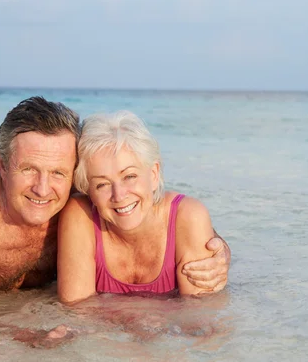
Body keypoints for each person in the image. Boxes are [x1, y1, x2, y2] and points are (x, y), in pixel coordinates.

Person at [0, 97, 230, 330]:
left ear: (74, 177)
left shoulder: (82, 200)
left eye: (58, 172)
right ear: (3, 166)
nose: (43, 189)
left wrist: (217, 246)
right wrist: (17, 335)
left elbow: (138, 198)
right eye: (29, 169)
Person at [57, 110, 219, 302]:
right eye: (102, 184)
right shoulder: (79, 215)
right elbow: (76, 314)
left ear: (153, 174)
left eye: (130, 176)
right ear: (88, 190)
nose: (119, 195)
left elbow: (201, 319)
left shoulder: (189, 216)